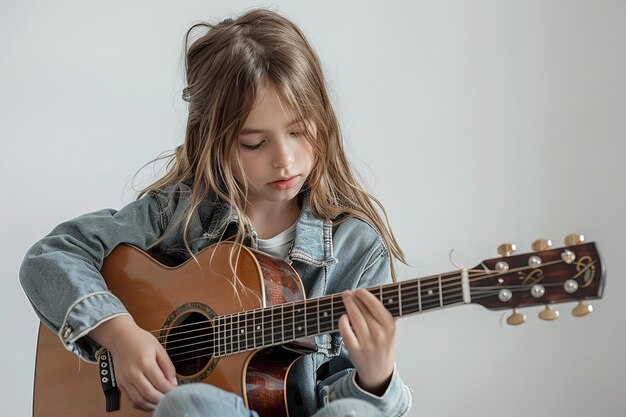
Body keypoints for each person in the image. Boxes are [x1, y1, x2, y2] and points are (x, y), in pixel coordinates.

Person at [20, 8, 412, 417]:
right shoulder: (178, 214)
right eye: (254, 144)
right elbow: (49, 257)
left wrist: (377, 377)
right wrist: (118, 335)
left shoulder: (357, 249)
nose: (284, 159)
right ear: (213, 140)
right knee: (188, 401)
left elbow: (343, 403)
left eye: (298, 132)